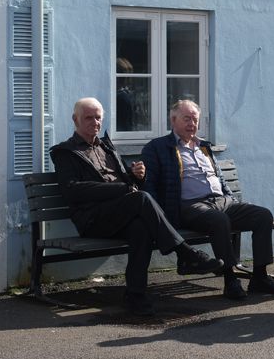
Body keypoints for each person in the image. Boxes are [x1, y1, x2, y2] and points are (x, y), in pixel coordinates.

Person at [50, 97, 223, 317]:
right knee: (141, 199)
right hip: (92, 219)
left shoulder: (106, 147)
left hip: (119, 213)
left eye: (98, 117)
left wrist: (135, 176)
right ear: (75, 119)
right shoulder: (65, 152)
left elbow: (126, 183)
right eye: (88, 118)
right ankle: (185, 253)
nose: (95, 122)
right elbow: (72, 190)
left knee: (141, 228)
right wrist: (122, 188)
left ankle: (135, 295)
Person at [141, 99, 274, 300]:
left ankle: (260, 277)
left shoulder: (204, 147)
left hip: (222, 202)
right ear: (173, 120)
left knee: (263, 216)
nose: (192, 123)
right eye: (187, 119)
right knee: (219, 220)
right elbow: (149, 184)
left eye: (195, 119)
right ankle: (230, 280)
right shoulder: (157, 147)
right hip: (189, 206)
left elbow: (219, 178)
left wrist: (229, 197)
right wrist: (161, 217)